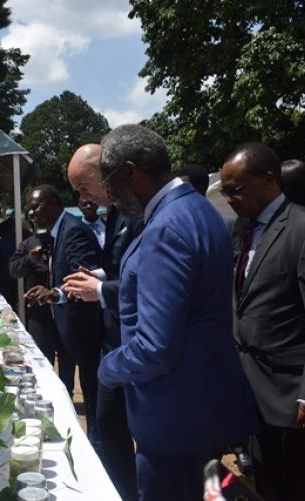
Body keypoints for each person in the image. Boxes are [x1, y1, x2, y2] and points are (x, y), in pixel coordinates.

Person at [97, 125, 259, 500]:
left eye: (109, 182)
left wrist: (107, 369)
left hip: (173, 422)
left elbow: (154, 348)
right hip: (199, 411)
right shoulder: (197, 209)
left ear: (129, 172)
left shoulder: (166, 228)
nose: (109, 196)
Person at [221, 142, 305, 501]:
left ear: (269, 180)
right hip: (254, 391)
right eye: (225, 192)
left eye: (235, 190)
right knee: (269, 487)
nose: (229, 199)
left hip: (294, 399)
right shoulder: (244, 231)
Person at [61, 143, 139, 500]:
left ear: (101, 173)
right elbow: (119, 265)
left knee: (121, 425)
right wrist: (94, 276)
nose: (82, 196)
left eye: (83, 186)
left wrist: (102, 289)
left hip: (132, 336)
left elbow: (144, 277)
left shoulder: (135, 210)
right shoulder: (115, 212)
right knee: (108, 423)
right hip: (113, 335)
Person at [23, 184, 103, 450]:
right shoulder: (58, 232)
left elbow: (86, 278)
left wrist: (55, 293)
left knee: (93, 401)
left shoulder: (74, 231)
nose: (31, 212)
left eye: (36, 206)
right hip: (70, 328)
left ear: (55, 203)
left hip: (85, 329)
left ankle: (97, 451)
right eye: (29, 208)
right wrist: (50, 292)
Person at [9, 229, 71, 386]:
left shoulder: (63, 239)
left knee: (66, 357)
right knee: (42, 355)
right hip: (39, 311)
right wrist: (29, 259)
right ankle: (46, 387)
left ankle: (67, 392)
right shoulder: (28, 243)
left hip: (64, 308)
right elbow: (14, 270)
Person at [0, 217, 18, 310]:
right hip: (16, 278)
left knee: (2, 305)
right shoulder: (18, 242)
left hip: (3, 279)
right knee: (13, 303)